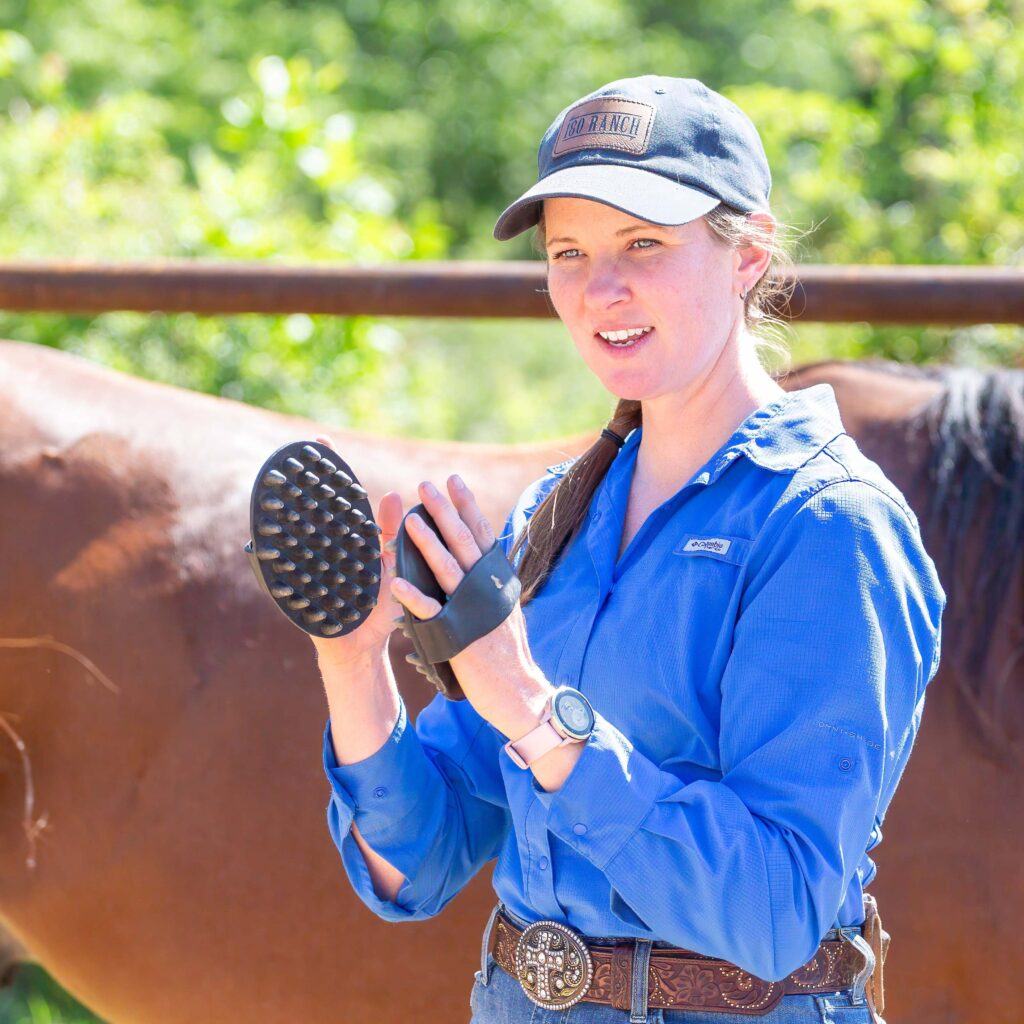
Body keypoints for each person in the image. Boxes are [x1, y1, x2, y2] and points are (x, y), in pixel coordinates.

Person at [314, 76, 946, 1024]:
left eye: (644, 243)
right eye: (568, 253)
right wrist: (352, 659)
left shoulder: (830, 526)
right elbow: (425, 857)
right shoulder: (559, 513)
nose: (600, 288)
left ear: (749, 253)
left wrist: (532, 709)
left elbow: (776, 908)